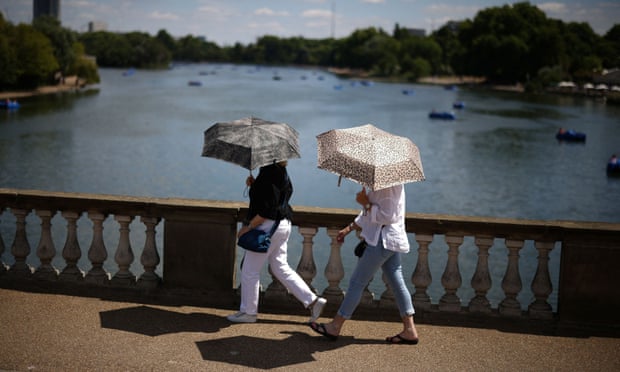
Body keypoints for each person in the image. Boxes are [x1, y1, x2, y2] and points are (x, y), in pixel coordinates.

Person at [308, 184, 420, 344]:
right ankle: (409, 330)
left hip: (382, 240)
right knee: (397, 283)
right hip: (391, 240)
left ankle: (335, 326)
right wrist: (349, 228)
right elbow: (371, 213)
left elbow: (387, 216)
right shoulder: (385, 181)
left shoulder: (388, 185)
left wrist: (366, 203)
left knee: (357, 283)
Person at [227, 161, 327, 323]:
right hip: (282, 224)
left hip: (268, 226)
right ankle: (313, 301)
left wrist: (248, 227)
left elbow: (267, 210)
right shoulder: (281, 171)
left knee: (249, 270)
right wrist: (255, 185)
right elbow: (278, 197)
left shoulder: (268, 173)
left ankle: (249, 312)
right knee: (280, 267)